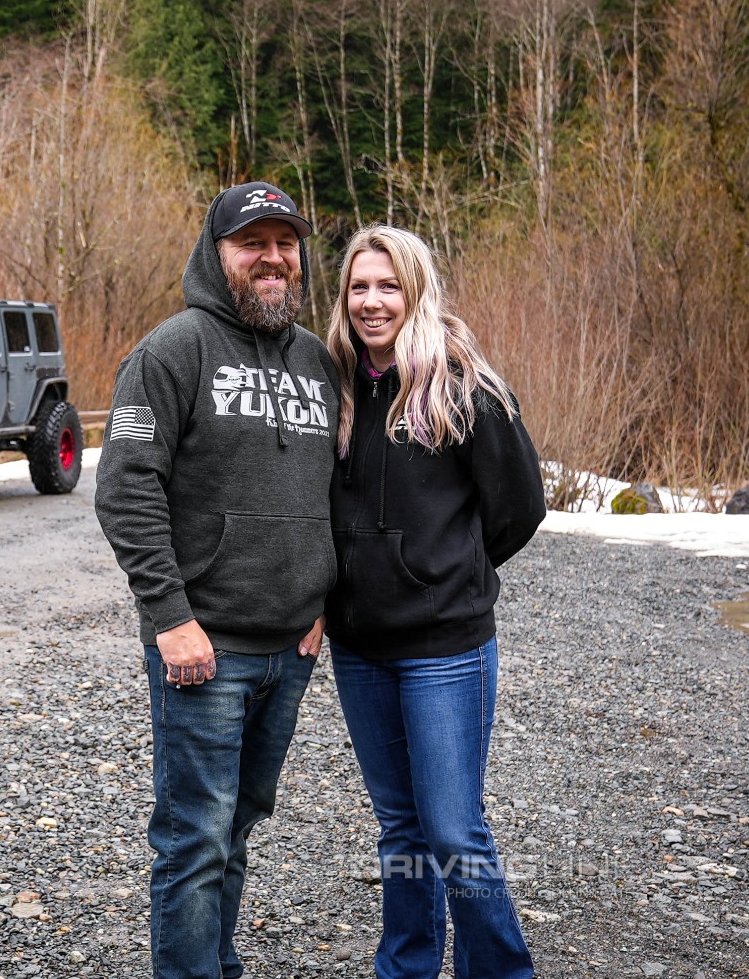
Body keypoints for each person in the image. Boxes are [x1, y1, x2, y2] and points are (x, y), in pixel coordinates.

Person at [94, 182, 339, 979]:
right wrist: (169, 615)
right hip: (204, 650)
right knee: (194, 839)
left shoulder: (316, 361)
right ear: (217, 253)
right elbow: (126, 488)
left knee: (235, 829)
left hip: (290, 652)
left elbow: (333, 496)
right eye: (252, 243)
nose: (273, 258)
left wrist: (323, 600)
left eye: (286, 242)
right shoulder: (172, 350)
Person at [323, 224, 545, 979]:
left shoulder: (463, 384)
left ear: (415, 290)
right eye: (359, 286)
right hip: (360, 648)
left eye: (388, 286)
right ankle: (407, 967)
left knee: (454, 831)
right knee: (402, 832)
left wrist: (445, 573)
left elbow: (520, 507)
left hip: (445, 649)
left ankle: (501, 973)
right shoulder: (335, 383)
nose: (372, 301)